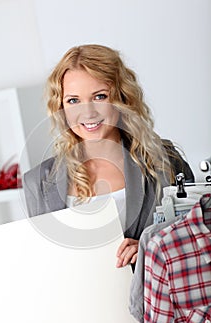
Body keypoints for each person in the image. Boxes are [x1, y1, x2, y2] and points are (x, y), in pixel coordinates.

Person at [23, 44, 194, 270]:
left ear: (122, 98)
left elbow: (199, 238)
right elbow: (40, 264)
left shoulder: (166, 161)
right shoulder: (38, 182)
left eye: (100, 96)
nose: (88, 112)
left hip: (157, 302)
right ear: (60, 106)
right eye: (73, 100)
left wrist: (150, 247)